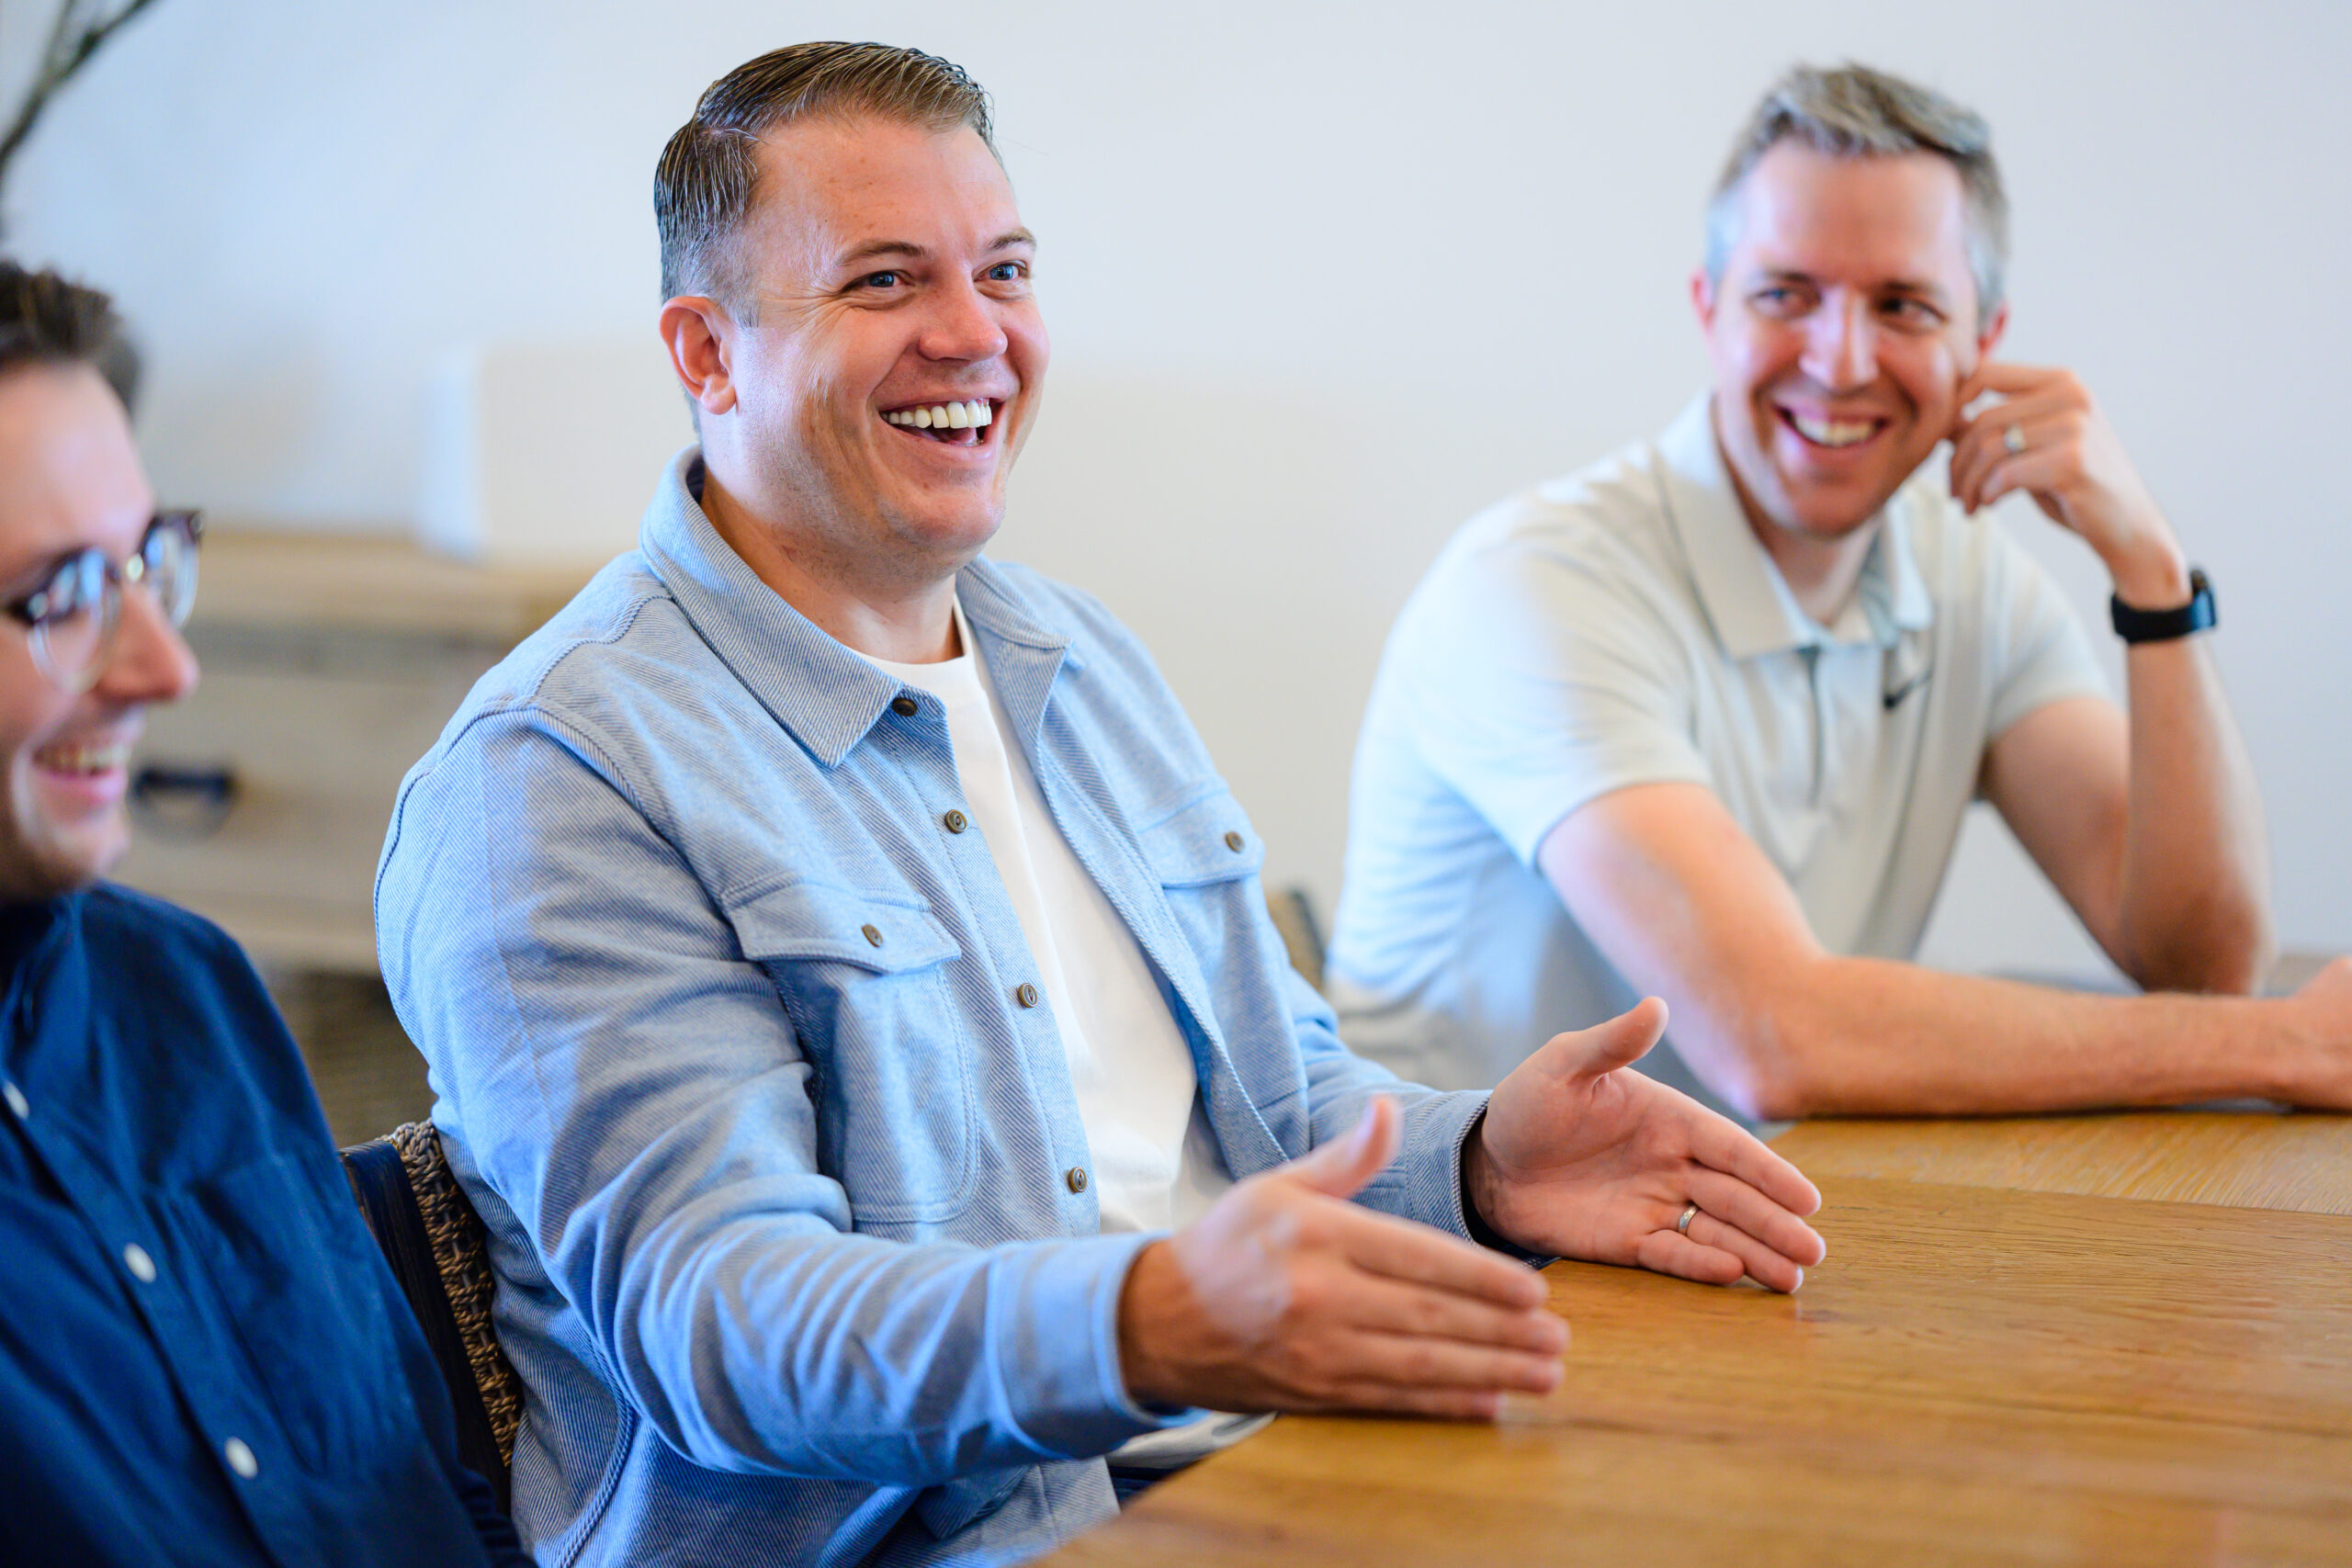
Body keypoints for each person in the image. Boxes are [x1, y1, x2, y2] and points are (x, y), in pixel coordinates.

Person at [373, 41, 1826, 1568]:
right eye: (882, 283)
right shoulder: (551, 775)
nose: (974, 334)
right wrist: (1154, 1318)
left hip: (1281, 1462)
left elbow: (1282, 1115)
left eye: (1003, 270)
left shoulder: (1079, 662)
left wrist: (1477, 1166)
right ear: (708, 353)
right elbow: (723, 1326)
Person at [1328, 62, 2352, 1122]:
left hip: (1747, 1219)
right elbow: (1779, 1038)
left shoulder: (1967, 579)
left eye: (1903, 305)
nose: (1840, 359)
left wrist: (2151, 571)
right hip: (1452, 1250)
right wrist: (2280, 1043)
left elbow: (2199, 966)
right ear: (1708, 308)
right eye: (1785, 295)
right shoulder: (1537, 585)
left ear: (1981, 346)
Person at [0, 262, 526, 1565]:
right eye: (60, 594)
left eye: (146, 563)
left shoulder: (183, 990)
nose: (164, 664)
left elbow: (435, 1480)